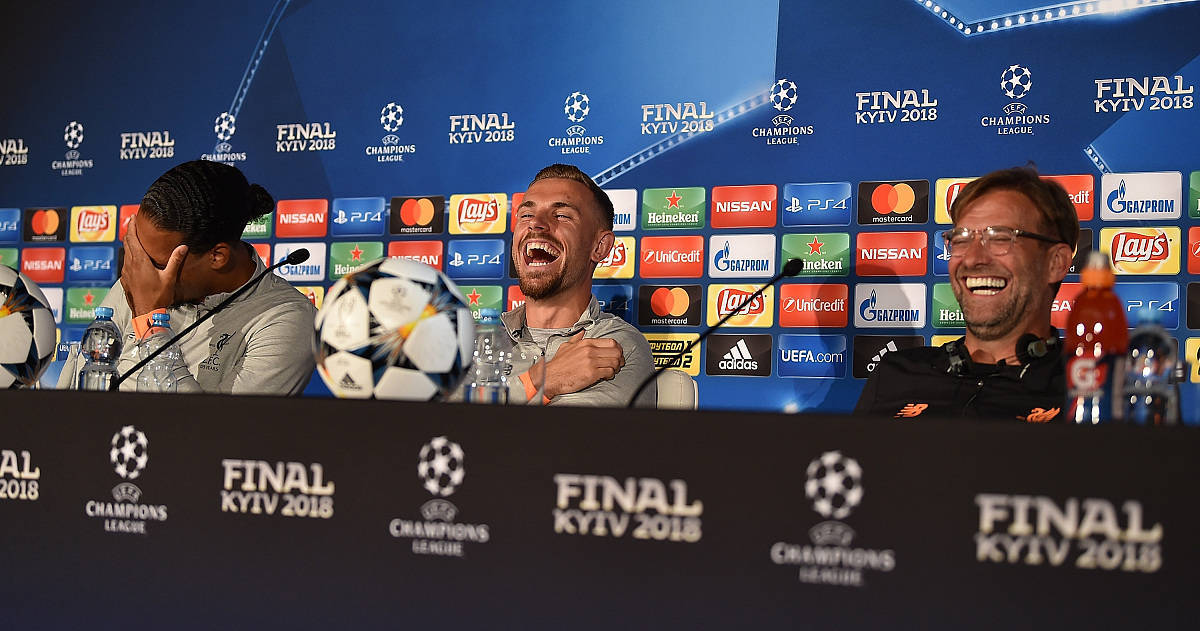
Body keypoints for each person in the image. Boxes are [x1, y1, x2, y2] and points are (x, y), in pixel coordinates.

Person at [58, 160, 316, 394]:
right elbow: (85, 388)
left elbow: (212, 426)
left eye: (159, 264)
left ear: (217, 256)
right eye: (141, 257)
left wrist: (149, 320)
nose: (142, 274)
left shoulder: (289, 319)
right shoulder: (143, 274)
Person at [854, 166, 1078, 421]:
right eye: (961, 239)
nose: (972, 258)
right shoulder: (894, 376)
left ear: (1055, 263)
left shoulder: (1092, 387)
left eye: (1000, 238)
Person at [502, 164, 655, 406]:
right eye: (526, 215)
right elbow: (441, 421)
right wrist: (542, 380)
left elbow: (566, 432)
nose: (536, 223)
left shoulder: (615, 346)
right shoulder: (479, 341)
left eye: (561, 216)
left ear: (600, 247)